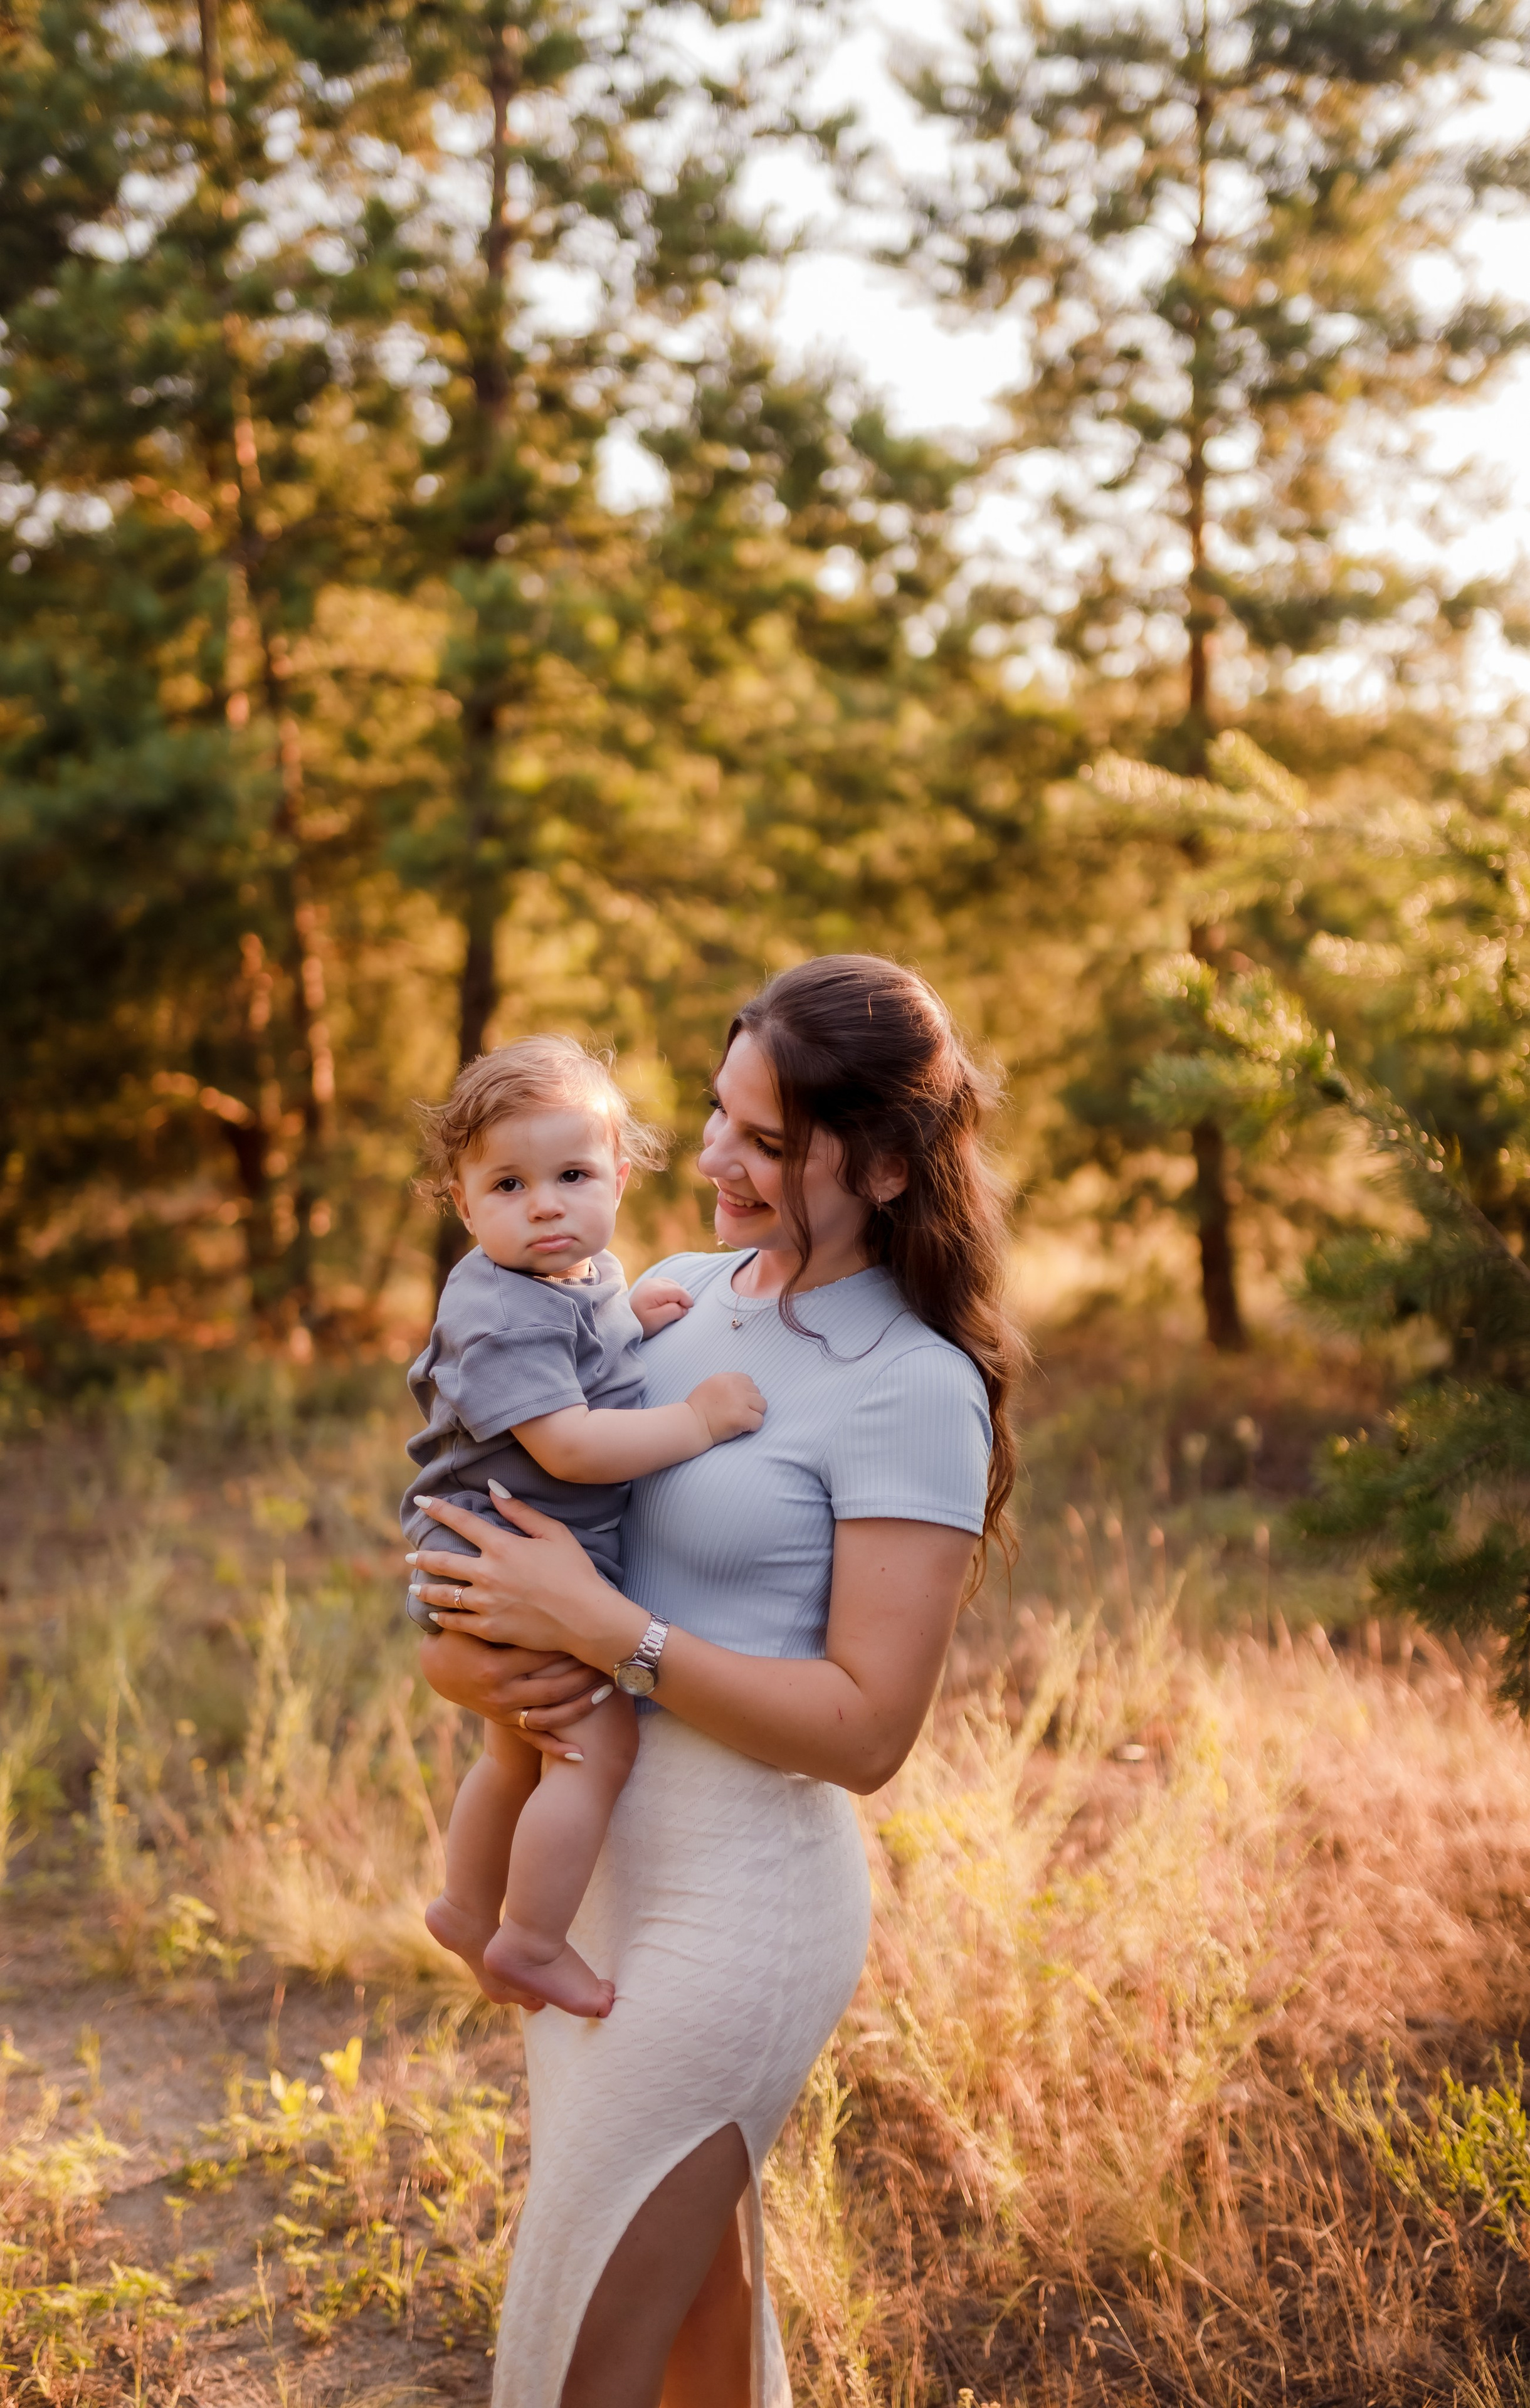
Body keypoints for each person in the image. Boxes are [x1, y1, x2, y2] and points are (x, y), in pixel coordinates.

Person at [408, 956, 1023, 2408]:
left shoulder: (911, 1384)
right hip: (593, 1877)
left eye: (763, 1142)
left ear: (882, 1167)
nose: (709, 1162)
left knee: (579, 2343)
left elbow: (866, 1734)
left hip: (736, 1911)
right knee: (696, 2317)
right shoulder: (661, 1296)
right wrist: (477, 1657)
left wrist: (608, 1633)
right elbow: (495, 1516)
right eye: (712, 1116)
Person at [403, 1036, 766, 2019]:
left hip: (498, 1555)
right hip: (504, 1559)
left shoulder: (574, 1277)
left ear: (620, 1178)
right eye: (508, 1186)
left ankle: (465, 1908)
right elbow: (565, 1443)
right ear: (464, 1205)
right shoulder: (500, 1309)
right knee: (593, 1747)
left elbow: (580, 1352)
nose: (545, 1206)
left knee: (513, 1754)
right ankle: (528, 1940)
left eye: (572, 1176)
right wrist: (696, 1422)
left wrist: (627, 1319)